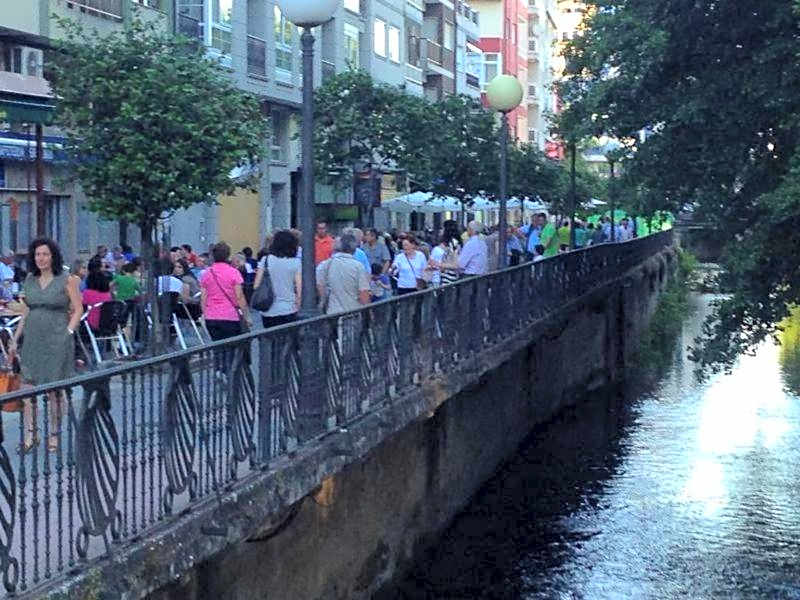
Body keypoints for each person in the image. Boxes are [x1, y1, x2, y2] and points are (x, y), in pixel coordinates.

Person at [10, 238, 82, 452]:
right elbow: (27, 311)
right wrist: (15, 338)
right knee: (27, 387)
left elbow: (78, 308)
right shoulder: (30, 279)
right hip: (32, 338)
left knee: (54, 390)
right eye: (37, 254)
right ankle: (32, 434)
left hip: (57, 338)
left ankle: (54, 434)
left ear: (53, 256)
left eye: (45, 254)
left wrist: (68, 332)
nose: (41, 258)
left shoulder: (66, 279)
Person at [200, 242, 251, 341]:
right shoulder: (234, 272)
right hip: (230, 316)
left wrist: (205, 313)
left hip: (211, 316)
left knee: (217, 348)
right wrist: (246, 316)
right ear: (228, 255)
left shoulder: (207, 273)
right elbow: (239, 297)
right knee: (231, 349)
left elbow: (203, 298)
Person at [253, 230, 301, 328]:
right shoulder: (296, 263)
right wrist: (298, 305)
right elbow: (299, 289)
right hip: (288, 308)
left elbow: (256, 285)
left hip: (268, 309)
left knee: (270, 339)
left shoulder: (265, 260)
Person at [316, 233, 370, 314]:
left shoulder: (325, 265)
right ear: (354, 249)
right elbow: (364, 293)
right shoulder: (358, 266)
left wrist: (324, 301)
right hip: (353, 311)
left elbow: (320, 285)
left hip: (332, 311)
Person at [82, 265, 114, 331]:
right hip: (107, 323)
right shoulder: (108, 294)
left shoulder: (87, 293)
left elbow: (82, 307)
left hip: (91, 322)